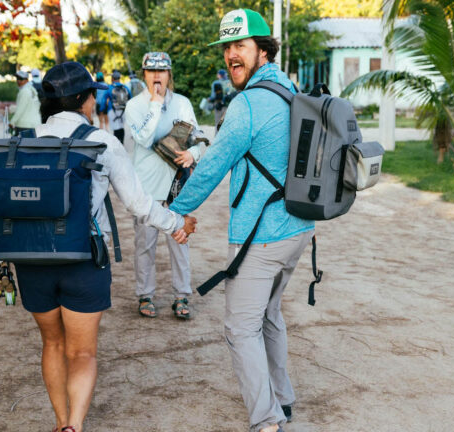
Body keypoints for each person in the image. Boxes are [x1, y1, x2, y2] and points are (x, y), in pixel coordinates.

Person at [15, 61, 196, 432]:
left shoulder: (26, 139)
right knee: (81, 352)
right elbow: (140, 205)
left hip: (31, 260)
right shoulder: (101, 142)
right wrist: (178, 224)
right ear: (83, 100)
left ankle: (60, 420)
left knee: (52, 344)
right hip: (83, 258)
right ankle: (74, 428)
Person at [169, 9, 313, 432]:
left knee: (239, 328)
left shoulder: (248, 101)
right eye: (228, 47)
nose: (232, 55)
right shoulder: (290, 89)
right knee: (268, 315)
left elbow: (213, 164)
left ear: (263, 50)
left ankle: (267, 421)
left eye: (241, 46)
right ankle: (282, 399)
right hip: (298, 228)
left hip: (262, 235)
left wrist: (177, 210)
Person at [124, 52, 205, 320]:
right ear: (143, 74)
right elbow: (145, 139)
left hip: (177, 186)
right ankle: (145, 295)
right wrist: (156, 105)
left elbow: (200, 138)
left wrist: (193, 153)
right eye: (151, 71)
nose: (157, 76)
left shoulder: (182, 103)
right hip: (146, 189)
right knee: (145, 245)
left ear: (170, 74)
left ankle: (182, 295)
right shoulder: (135, 106)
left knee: (180, 242)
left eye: (162, 71)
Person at [9, 70, 41, 135]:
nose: (18, 81)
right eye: (17, 79)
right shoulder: (32, 90)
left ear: (27, 80)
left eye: (21, 79)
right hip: (35, 124)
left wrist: (12, 122)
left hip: (24, 126)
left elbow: (21, 109)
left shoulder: (25, 91)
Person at [108, 70, 131, 143]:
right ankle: (122, 143)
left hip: (113, 110)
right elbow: (130, 97)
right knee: (121, 127)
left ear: (112, 78)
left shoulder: (109, 88)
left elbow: (103, 100)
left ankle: (117, 144)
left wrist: (103, 109)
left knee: (116, 128)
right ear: (119, 78)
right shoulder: (125, 87)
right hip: (123, 110)